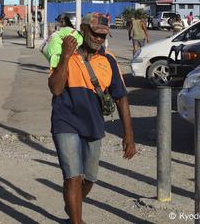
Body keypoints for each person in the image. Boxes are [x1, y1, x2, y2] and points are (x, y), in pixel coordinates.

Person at [48, 12, 135, 224]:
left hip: (94, 124)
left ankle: (72, 207)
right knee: (73, 176)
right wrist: (67, 56)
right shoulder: (64, 53)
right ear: (84, 30)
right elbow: (56, 89)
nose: (98, 39)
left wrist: (129, 135)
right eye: (95, 34)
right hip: (65, 121)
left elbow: (121, 98)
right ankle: (76, 220)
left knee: (88, 179)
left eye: (103, 36)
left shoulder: (109, 60)